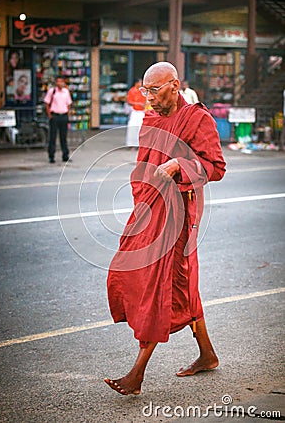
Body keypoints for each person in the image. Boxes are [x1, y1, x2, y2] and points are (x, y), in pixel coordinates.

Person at [104, 61, 226, 395]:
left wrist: (179, 164)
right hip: (150, 208)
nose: (149, 99)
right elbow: (144, 164)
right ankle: (208, 354)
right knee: (167, 280)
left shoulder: (197, 118)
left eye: (154, 91)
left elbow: (216, 166)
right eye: (146, 91)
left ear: (174, 85)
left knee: (160, 283)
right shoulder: (152, 117)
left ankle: (136, 374)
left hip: (178, 215)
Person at [44, 76, 72, 163]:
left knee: (63, 137)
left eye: (61, 81)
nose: (60, 83)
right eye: (58, 81)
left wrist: (67, 115)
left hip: (63, 115)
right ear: (56, 83)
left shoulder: (66, 92)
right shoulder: (52, 91)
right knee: (53, 137)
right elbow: (47, 103)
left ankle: (65, 155)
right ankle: (51, 156)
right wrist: (50, 116)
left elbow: (68, 104)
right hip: (55, 115)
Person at [125, 78, 146, 148]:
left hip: (141, 112)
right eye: (140, 82)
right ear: (136, 83)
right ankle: (131, 144)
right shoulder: (132, 91)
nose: (141, 84)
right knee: (132, 127)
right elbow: (129, 101)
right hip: (134, 112)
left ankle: (139, 144)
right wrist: (138, 104)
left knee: (141, 128)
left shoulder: (143, 91)